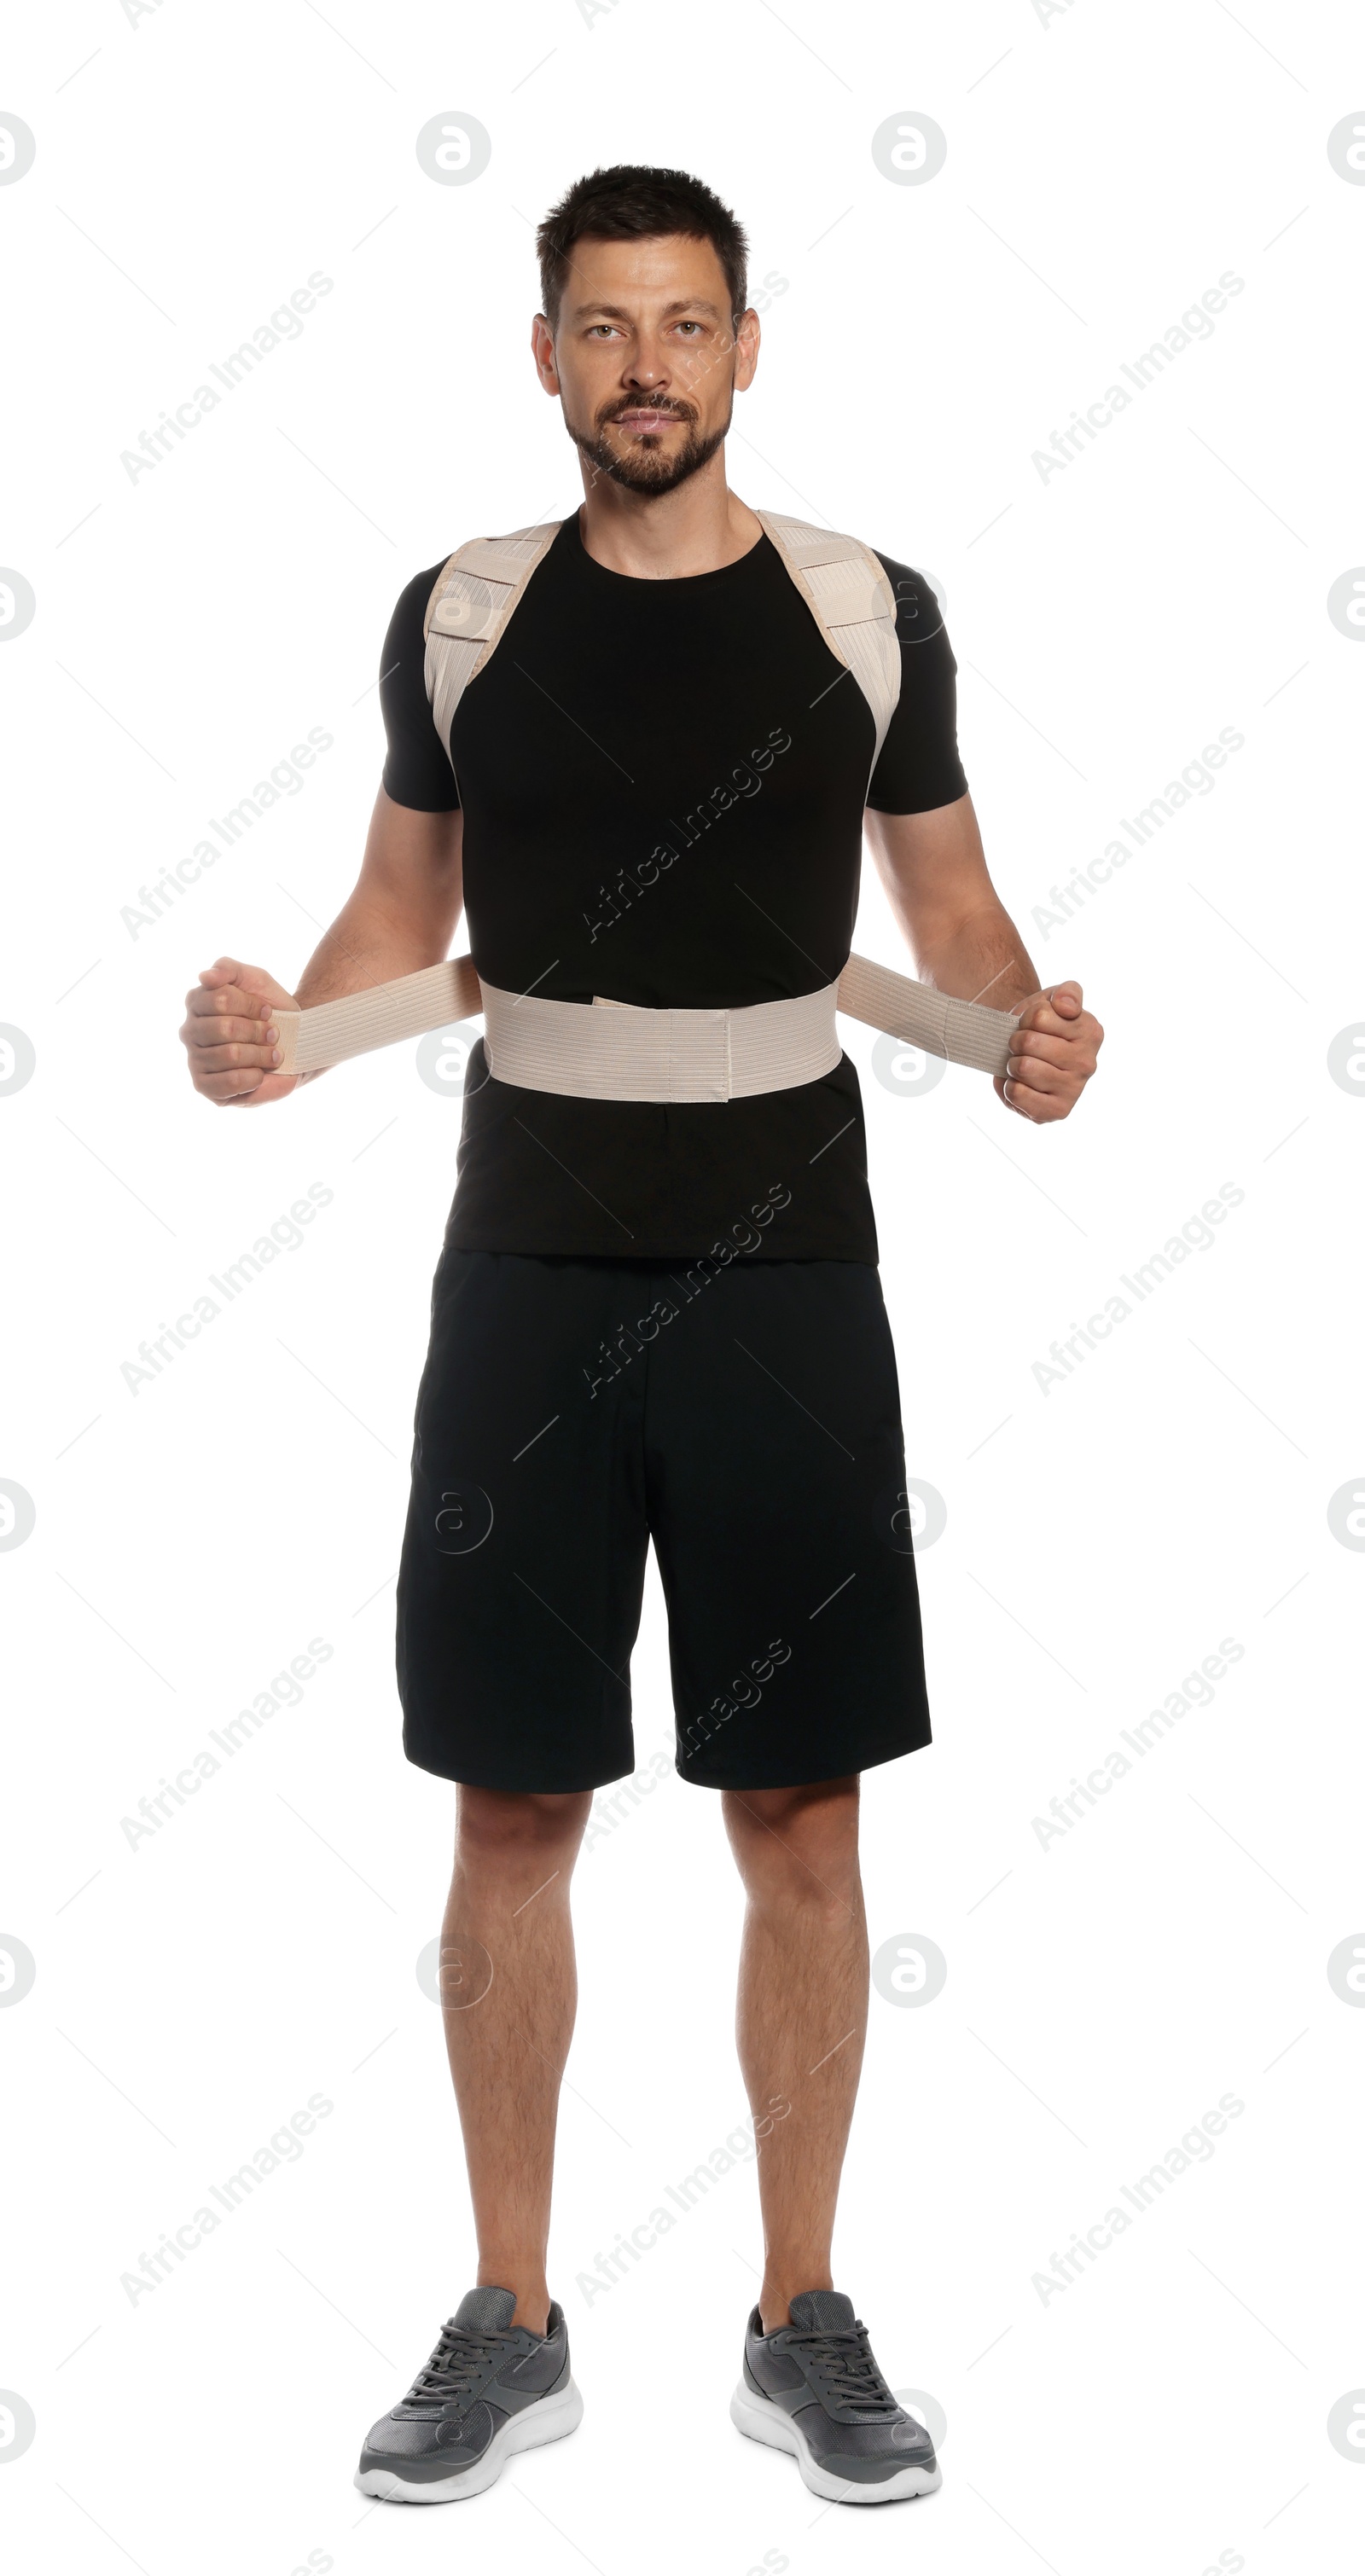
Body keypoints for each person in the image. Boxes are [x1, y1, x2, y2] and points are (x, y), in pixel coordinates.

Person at [180, 163, 1103, 2508]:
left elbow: (958, 906)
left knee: (800, 1808)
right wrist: (271, 1027)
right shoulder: (463, 613)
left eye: (685, 325)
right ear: (549, 356)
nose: (647, 367)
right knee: (514, 1798)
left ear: (748, 348)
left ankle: (803, 2315)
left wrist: (1021, 1021)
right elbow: (398, 915)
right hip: (527, 1261)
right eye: (604, 327)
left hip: (790, 1263)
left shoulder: (865, 608)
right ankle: (511, 2315)